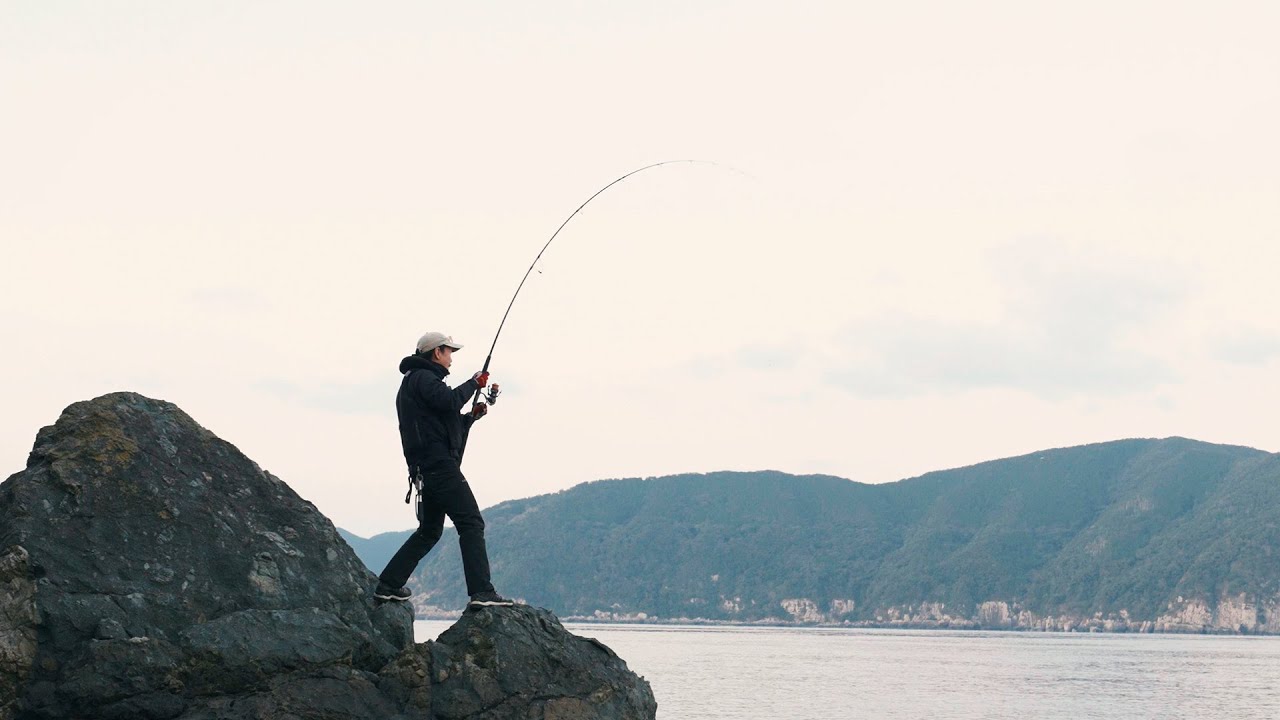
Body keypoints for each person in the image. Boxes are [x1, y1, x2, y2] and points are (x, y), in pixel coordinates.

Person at [374, 330, 514, 609]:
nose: (451, 359)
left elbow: (443, 426)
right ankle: (481, 592)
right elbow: (449, 401)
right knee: (471, 523)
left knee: (429, 531)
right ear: (437, 352)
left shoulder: (417, 384)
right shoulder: (423, 379)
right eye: (449, 352)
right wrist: (474, 383)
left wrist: (470, 418)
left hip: (427, 470)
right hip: (438, 468)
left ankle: (388, 584)